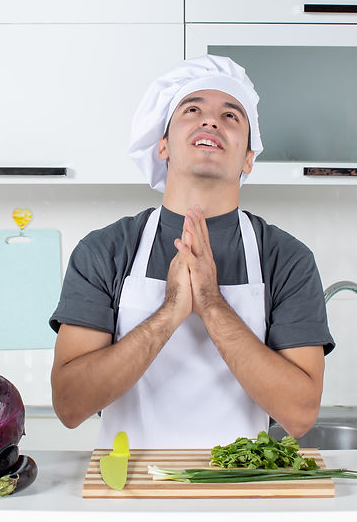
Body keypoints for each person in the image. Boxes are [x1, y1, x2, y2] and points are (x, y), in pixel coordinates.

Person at [49, 55, 334, 448]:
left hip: (238, 493)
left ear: (249, 157)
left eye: (232, 116)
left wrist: (212, 304)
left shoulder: (286, 260)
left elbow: (300, 415)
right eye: (193, 109)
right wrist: (170, 312)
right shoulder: (106, 251)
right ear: (162, 145)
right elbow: (69, 404)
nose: (211, 121)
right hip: (130, 495)